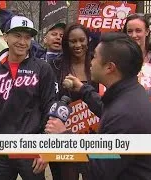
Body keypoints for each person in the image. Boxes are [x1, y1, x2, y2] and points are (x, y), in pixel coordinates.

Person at [45, 32, 151, 180]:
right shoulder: (127, 94)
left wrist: (64, 137)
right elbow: (107, 110)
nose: (90, 62)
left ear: (110, 67)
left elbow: (98, 171)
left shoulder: (126, 114)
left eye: (94, 56)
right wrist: (84, 90)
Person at [0, 9, 56, 180]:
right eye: (17, 36)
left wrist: (46, 148)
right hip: (0, 148)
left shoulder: (42, 68)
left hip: (31, 147)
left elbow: (50, 108)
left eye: (27, 37)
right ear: (5, 37)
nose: (22, 41)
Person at [48, 23, 97, 180]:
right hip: (64, 134)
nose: (78, 45)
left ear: (88, 40)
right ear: (66, 43)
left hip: (94, 136)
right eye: (72, 41)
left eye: (81, 40)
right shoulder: (54, 66)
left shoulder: (97, 64)